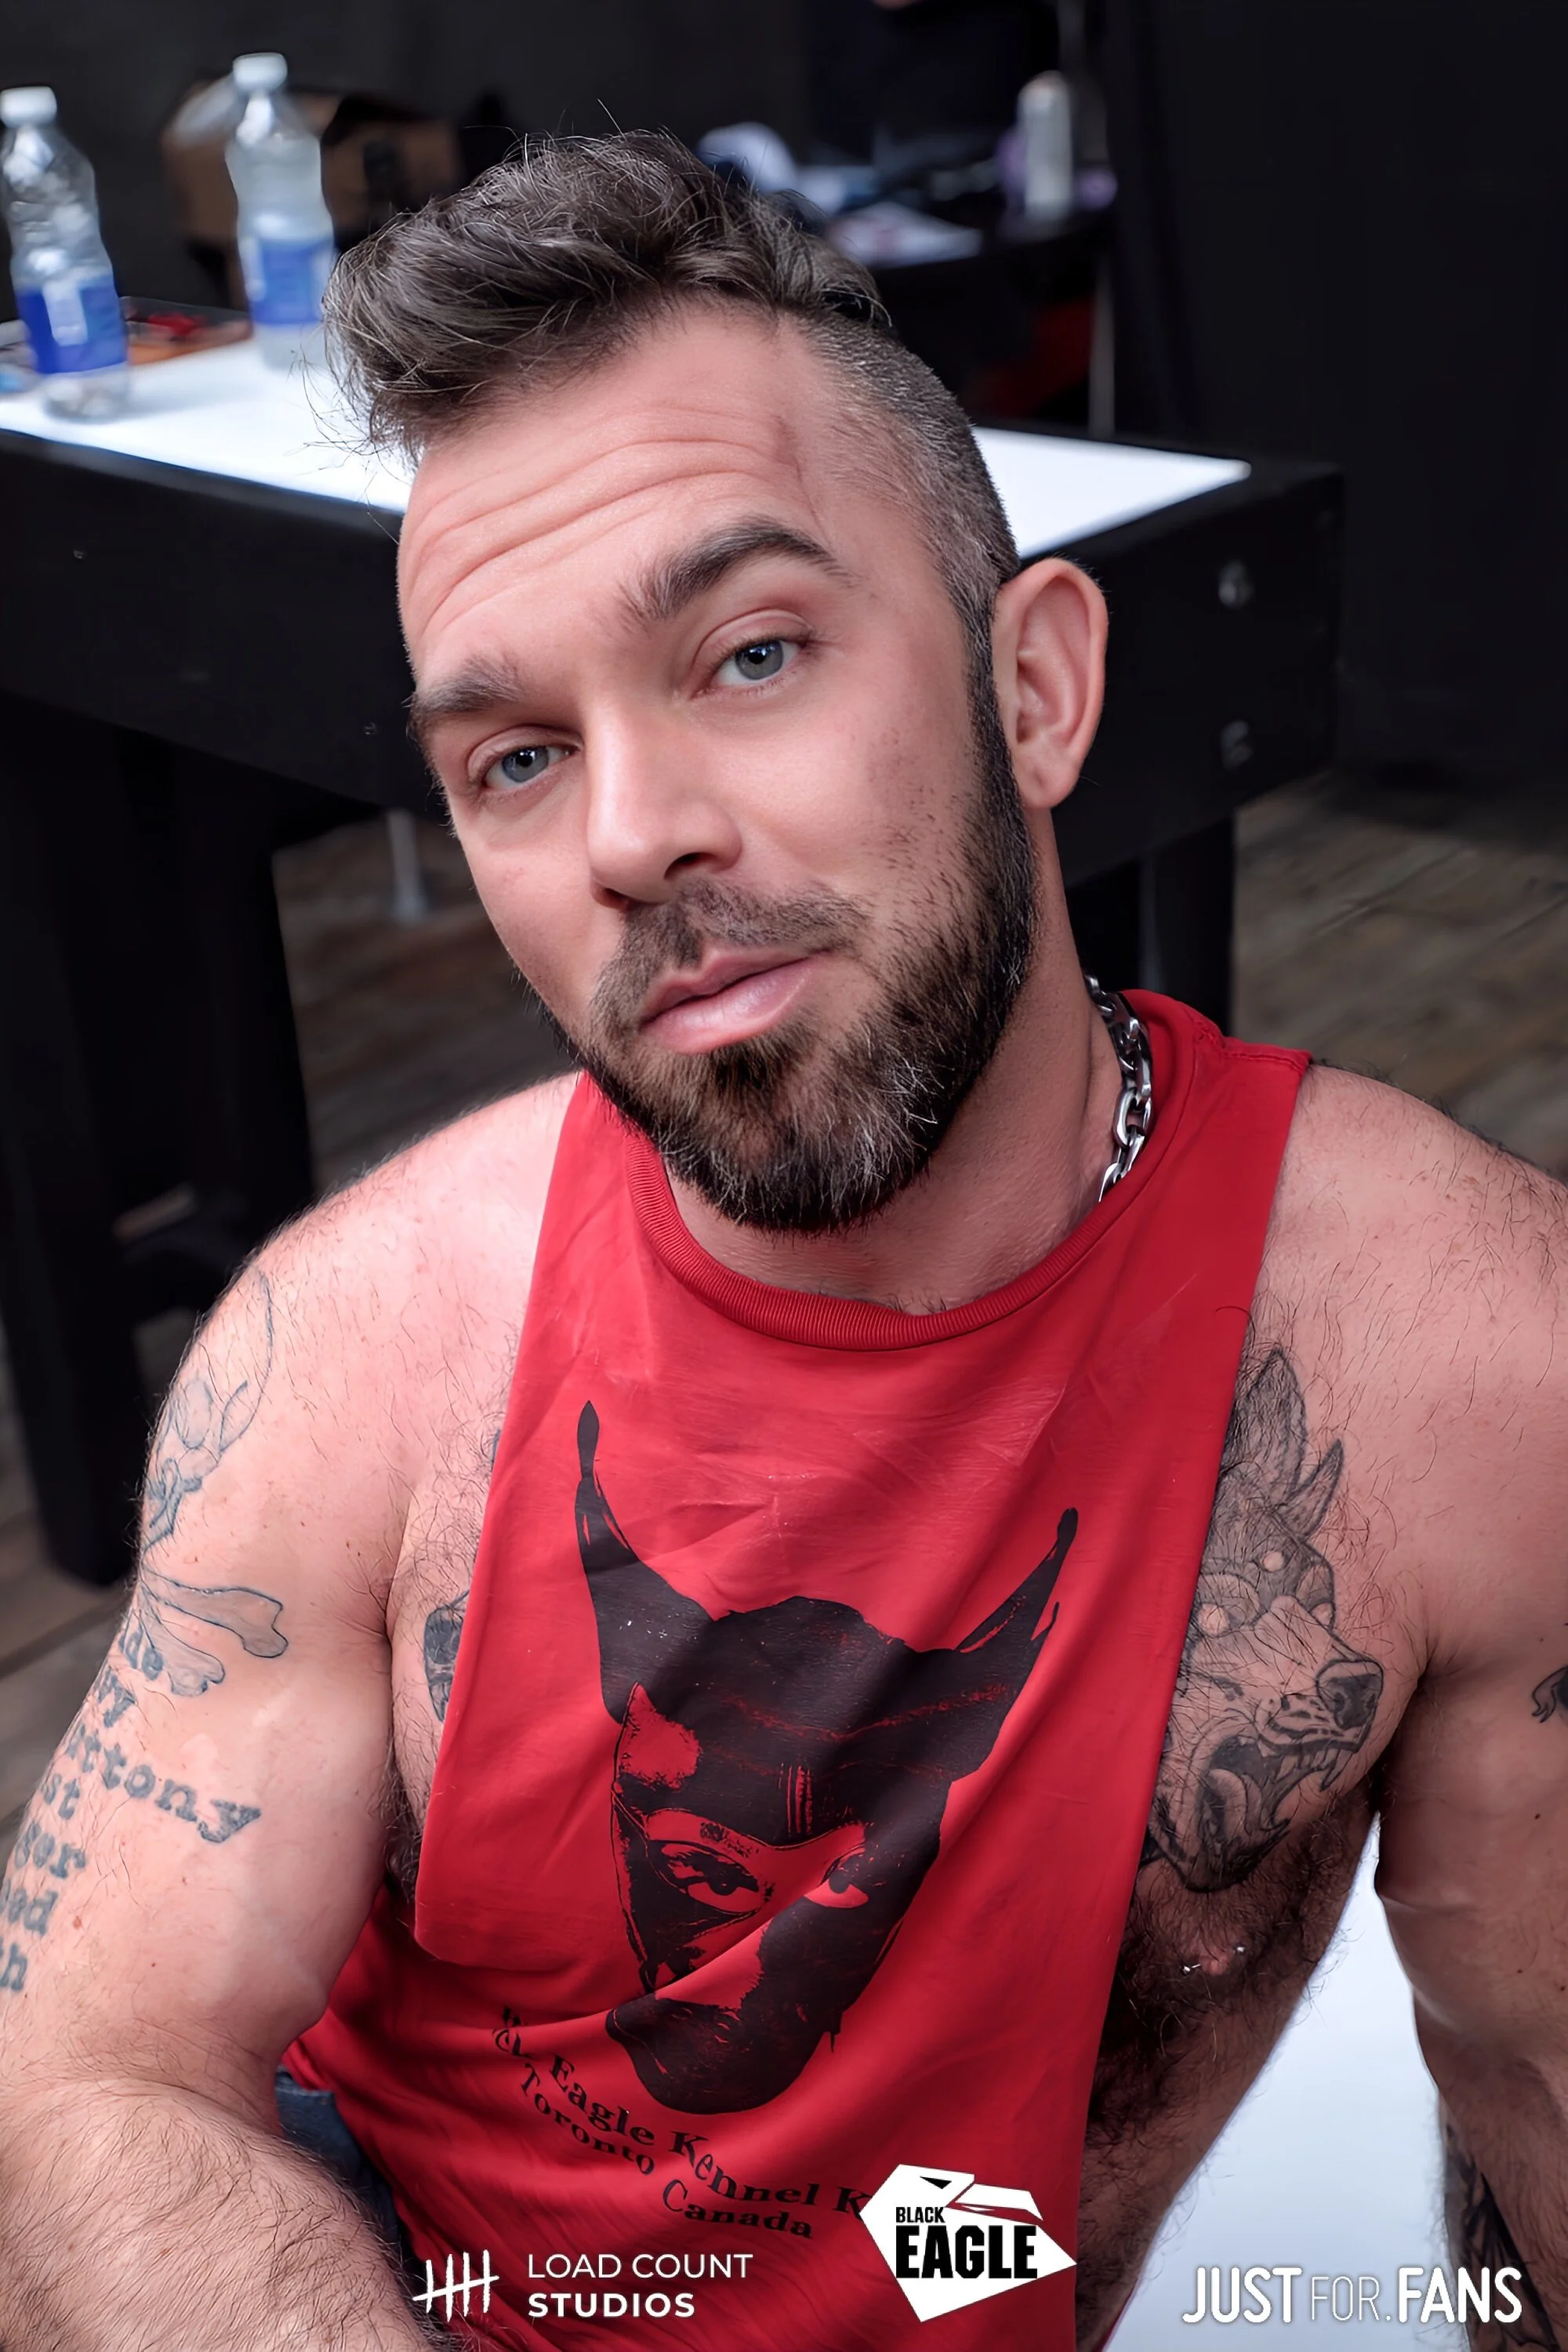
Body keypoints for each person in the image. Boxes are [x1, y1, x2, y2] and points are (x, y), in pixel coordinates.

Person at [0, 131, 1563, 2352]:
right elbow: (90, 2068)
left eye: (747, 654)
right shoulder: (351, 1354)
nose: (634, 835)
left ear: (1035, 689)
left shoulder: (1464, 1358)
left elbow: (1535, 2083)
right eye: (520, 759)